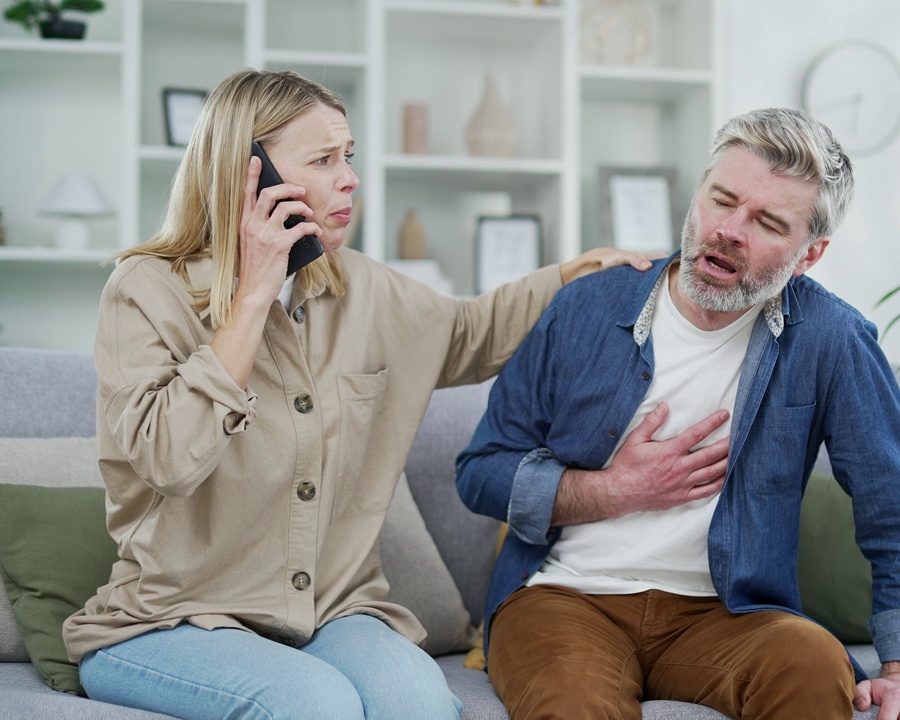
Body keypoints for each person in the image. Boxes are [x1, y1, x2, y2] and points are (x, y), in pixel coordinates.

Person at [61, 68, 652, 720]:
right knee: (315, 702)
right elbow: (165, 459)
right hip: (172, 619)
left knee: (420, 706)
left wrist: (574, 274)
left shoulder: (362, 288)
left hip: (333, 611)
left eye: (348, 156)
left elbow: (469, 332)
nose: (349, 178)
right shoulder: (145, 290)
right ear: (247, 176)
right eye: (322, 159)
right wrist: (255, 296)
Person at [456, 107, 900, 720]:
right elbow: (480, 471)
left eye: (768, 221)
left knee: (812, 663)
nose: (730, 230)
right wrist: (614, 491)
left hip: (727, 614)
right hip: (565, 598)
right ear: (698, 196)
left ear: (809, 255)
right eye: (722, 200)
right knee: (572, 703)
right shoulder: (584, 307)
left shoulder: (834, 340)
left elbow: (897, 506)